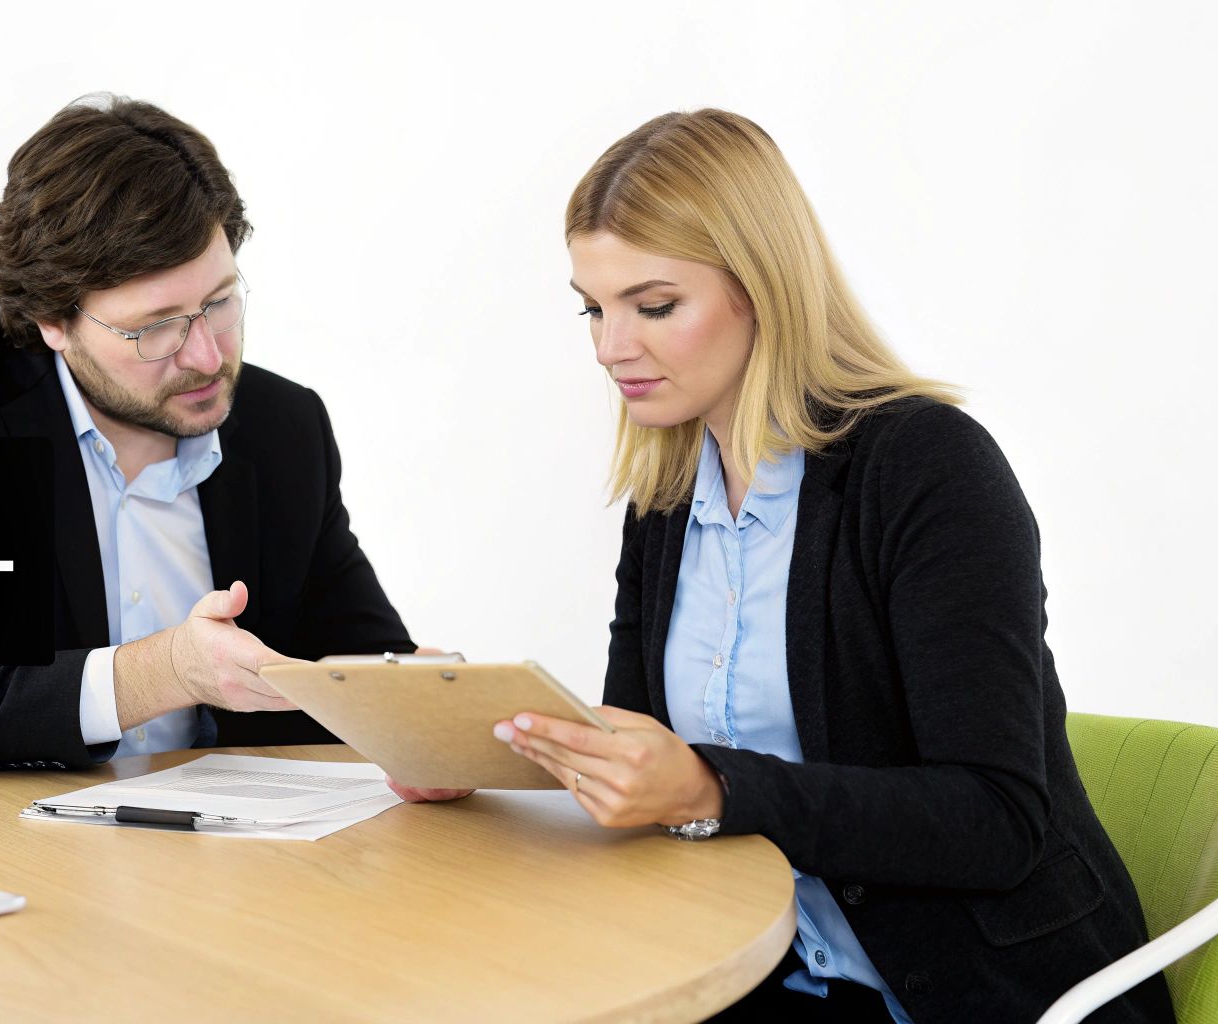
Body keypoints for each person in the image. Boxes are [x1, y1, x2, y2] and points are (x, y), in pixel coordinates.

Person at [489, 110, 1175, 1022]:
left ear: (762, 288)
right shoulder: (665, 499)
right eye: (593, 307)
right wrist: (479, 753)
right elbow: (642, 758)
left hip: (981, 996)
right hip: (762, 977)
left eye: (654, 306)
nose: (611, 347)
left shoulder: (929, 468)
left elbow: (996, 819)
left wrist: (716, 788)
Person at [0, 95, 454, 798]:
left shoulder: (282, 426)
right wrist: (159, 673)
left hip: (209, 868)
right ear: (51, 321)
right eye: (156, 328)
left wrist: (420, 722)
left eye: (219, 303)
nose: (207, 356)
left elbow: (352, 663)